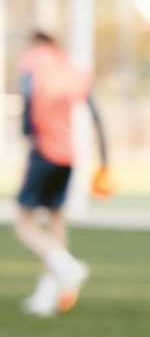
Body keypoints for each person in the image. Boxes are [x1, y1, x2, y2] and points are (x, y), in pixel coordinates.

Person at [15, 31, 108, 317]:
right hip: (69, 154)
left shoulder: (32, 61)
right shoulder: (72, 68)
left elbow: (29, 100)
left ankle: (67, 266)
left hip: (44, 150)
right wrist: (105, 160)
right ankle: (48, 296)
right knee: (56, 221)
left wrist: (27, 134)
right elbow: (95, 113)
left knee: (23, 222)